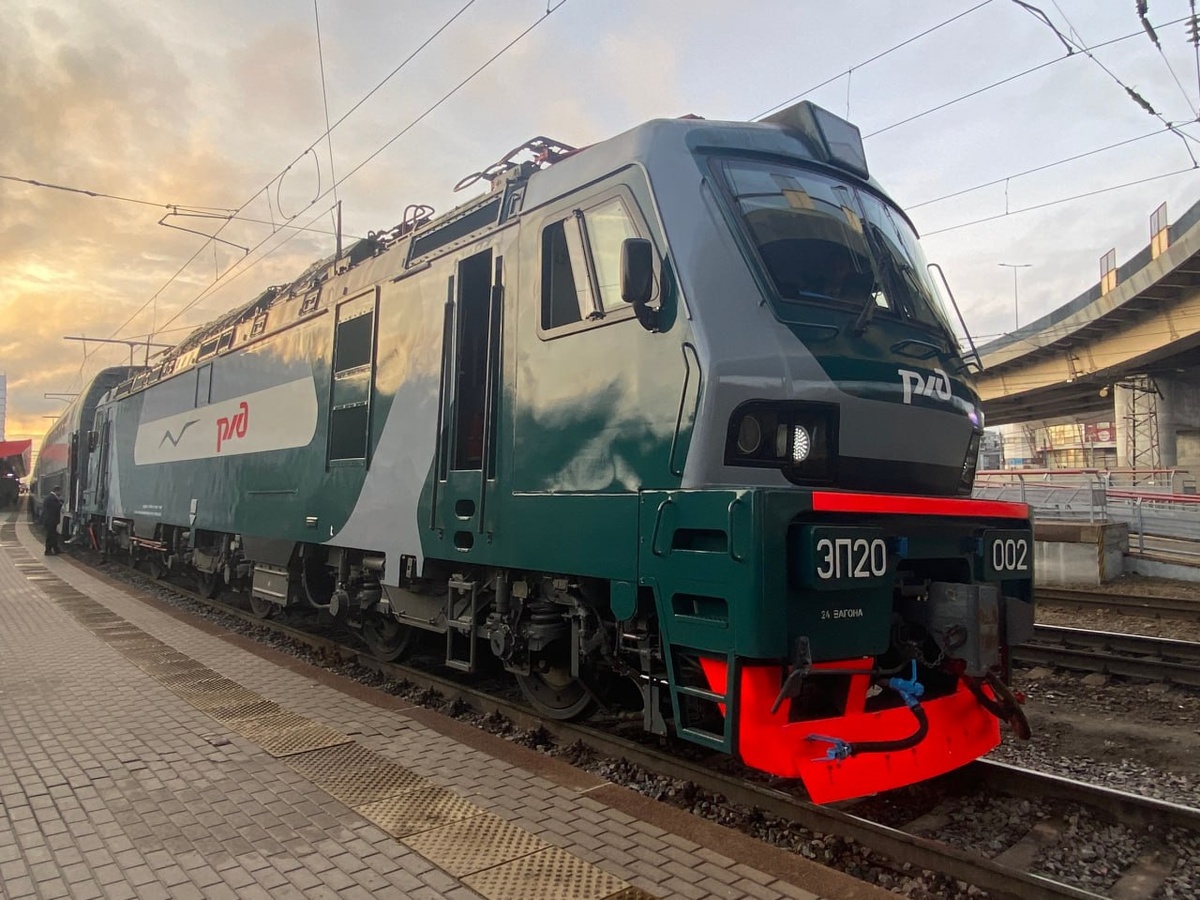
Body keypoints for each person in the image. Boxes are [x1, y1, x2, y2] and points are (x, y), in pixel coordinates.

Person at [43, 486, 63, 556]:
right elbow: (56, 507)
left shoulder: (50, 497)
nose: (60, 493)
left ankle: (56, 549)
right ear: (57, 491)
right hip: (51, 520)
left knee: (53, 535)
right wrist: (61, 503)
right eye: (60, 491)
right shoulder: (52, 498)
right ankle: (48, 551)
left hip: (50, 520)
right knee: (51, 536)